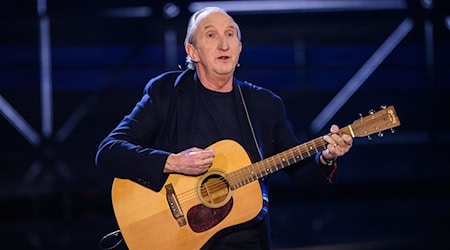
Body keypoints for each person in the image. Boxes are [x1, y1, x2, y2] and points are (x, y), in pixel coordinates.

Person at [95, 6, 353, 250]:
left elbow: (305, 174)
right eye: (211, 35)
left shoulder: (264, 105)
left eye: (230, 34)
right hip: (181, 241)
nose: (224, 44)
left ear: (239, 49)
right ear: (193, 51)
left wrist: (327, 157)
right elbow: (109, 152)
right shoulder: (167, 93)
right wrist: (173, 162)